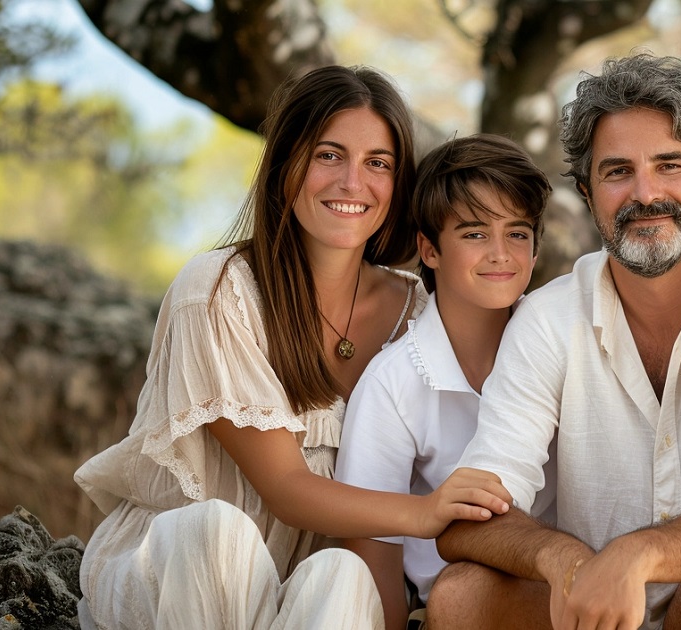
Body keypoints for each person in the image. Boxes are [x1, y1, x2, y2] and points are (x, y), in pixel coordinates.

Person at [73, 65, 511, 629]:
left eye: (378, 163)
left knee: (344, 576)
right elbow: (284, 488)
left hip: (308, 594)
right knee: (220, 536)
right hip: (178, 578)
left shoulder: (418, 313)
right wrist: (424, 514)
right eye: (329, 155)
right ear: (286, 167)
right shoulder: (218, 291)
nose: (354, 182)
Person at [427, 53, 681, 629]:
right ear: (587, 195)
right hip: (585, 607)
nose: (645, 193)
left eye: (670, 165)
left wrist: (636, 555)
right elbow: (471, 514)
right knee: (460, 595)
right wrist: (562, 558)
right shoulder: (546, 318)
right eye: (617, 172)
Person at [335, 133, 554, 630]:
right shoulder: (393, 384)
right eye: (475, 234)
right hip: (457, 610)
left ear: (536, 250)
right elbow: (376, 569)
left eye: (518, 233)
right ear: (429, 250)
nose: (501, 254)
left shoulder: (567, 346)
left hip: (573, 588)